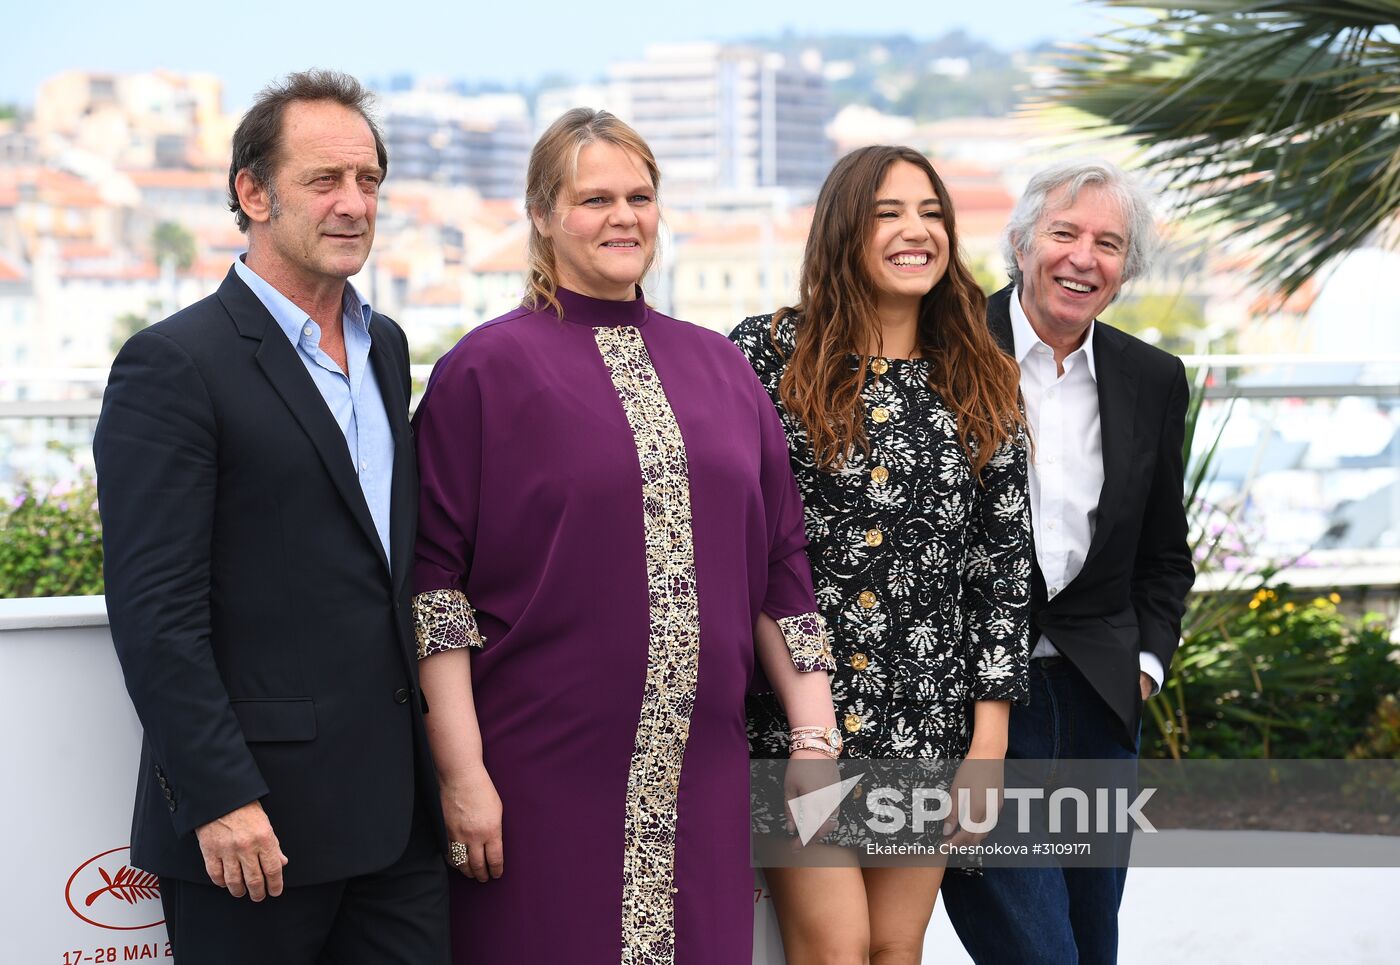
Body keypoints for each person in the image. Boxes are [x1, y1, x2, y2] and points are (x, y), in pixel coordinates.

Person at [410, 107, 838, 964]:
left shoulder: (722, 368)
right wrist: (463, 776)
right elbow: (434, 590)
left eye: (640, 196)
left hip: (703, 782)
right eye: (593, 198)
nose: (623, 217)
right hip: (536, 780)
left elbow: (782, 567)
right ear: (540, 215)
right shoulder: (484, 371)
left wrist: (814, 739)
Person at [94, 70, 448, 963]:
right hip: (255, 830)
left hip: (398, 822)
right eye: (324, 180)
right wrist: (218, 796)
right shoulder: (173, 363)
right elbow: (155, 614)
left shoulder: (389, 347)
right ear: (252, 193)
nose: (354, 203)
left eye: (368, 181)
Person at [729, 145, 1032, 964]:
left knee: (896, 950)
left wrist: (987, 750)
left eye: (931, 213)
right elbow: (740, 541)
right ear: (843, 230)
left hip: (928, 716)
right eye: (889, 212)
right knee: (835, 949)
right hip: (800, 719)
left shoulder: (982, 378)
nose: (916, 231)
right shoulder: (764, 356)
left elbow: (999, 580)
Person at [940, 159, 1196, 964]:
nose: (1085, 257)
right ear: (1021, 245)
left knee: (1092, 946)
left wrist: (1144, 667)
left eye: (1109, 243)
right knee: (1036, 949)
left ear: (1126, 269)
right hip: (973, 713)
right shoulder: (942, 355)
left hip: (1096, 704)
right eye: (1065, 233)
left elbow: (1164, 552)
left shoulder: (1152, 379)